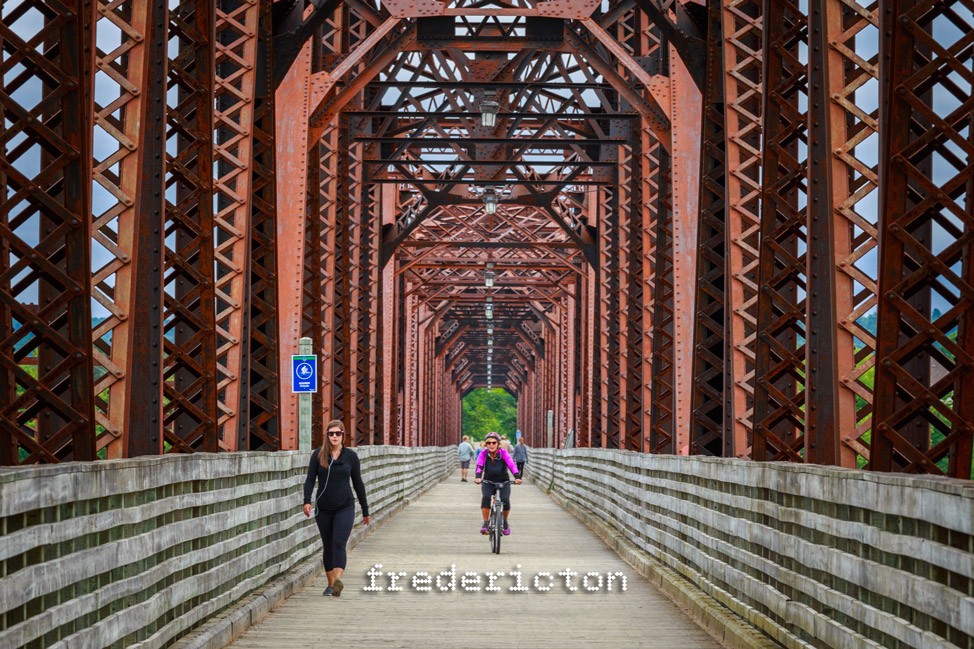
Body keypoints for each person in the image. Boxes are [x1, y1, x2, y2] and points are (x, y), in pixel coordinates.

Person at [303, 420, 370, 597]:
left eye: (338, 433)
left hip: (345, 507)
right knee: (328, 546)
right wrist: (306, 501)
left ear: (343, 435)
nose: (334, 436)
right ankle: (331, 584)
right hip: (323, 509)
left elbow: (358, 483)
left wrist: (365, 510)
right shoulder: (318, 455)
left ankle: (338, 579)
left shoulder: (351, 457)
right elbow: (310, 479)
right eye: (331, 433)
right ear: (326, 435)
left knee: (339, 543)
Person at [474, 431, 521, 536]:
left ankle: (504, 521)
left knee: (505, 499)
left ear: (498, 444)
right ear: (486, 444)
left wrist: (517, 477)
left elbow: (511, 464)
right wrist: (478, 477)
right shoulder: (483, 454)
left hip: (503, 481)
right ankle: (486, 523)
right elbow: (479, 466)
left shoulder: (504, 453)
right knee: (486, 497)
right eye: (488, 443)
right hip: (488, 481)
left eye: (494, 442)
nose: (491, 445)